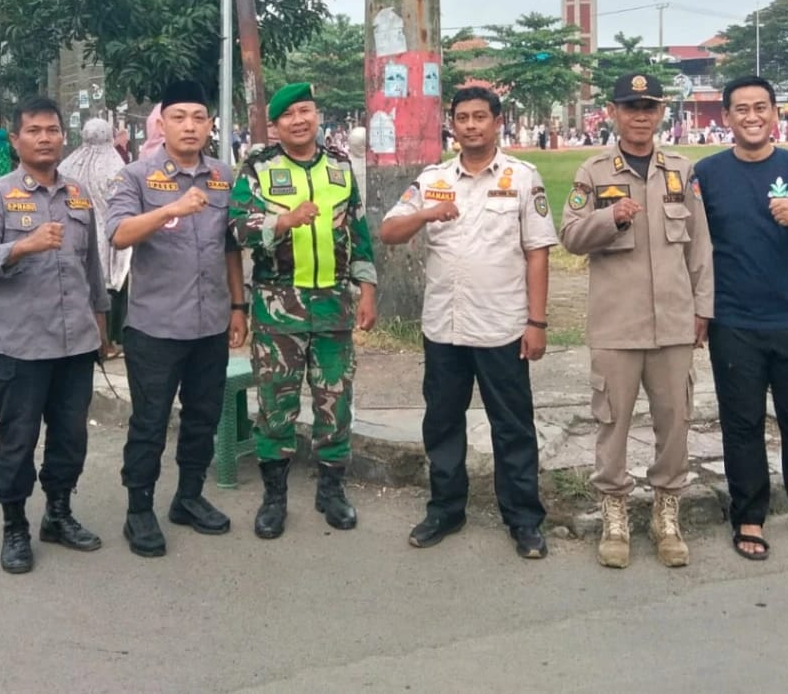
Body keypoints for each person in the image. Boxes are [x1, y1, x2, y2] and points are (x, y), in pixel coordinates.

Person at [380, 86, 556, 560]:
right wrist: (427, 211)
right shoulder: (434, 178)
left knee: (513, 426)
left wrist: (536, 322)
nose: (472, 125)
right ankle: (445, 509)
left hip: (502, 326)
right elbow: (389, 232)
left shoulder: (522, 177)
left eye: (481, 117)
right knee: (441, 423)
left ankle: (523, 519)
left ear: (498, 122)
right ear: (452, 125)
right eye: (463, 118)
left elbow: (537, 252)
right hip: (444, 327)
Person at [560, 73, 713, 570]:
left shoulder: (681, 170)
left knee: (675, 421)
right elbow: (571, 235)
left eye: (649, 106)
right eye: (631, 106)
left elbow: (700, 246)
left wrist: (702, 309)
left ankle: (666, 513)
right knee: (613, 422)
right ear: (613, 112)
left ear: (661, 112)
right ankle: (615, 513)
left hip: (672, 321)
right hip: (616, 325)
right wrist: (612, 220)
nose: (640, 115)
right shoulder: (594, 170)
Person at [694, 76, 788, 561]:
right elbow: (694, 245)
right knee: (741, 425)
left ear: (776, 114)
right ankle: (749, 516)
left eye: (761, 107)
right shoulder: (708, 172)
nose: (752, 117)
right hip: (733, 322)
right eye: (741, 109)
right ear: (726, 118)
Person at [0, 96, 111, 574]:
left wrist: (101, 326)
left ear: (62, 136)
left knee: (70, 439)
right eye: (34, 131)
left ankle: (59, 513)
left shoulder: (78, 196)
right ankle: (14, 526)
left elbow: (92, 267)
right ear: (17, 139)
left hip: (75, 343)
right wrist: (22, 246)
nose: (44, 138)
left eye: (52, 130)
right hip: (23, 346)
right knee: (18, 439)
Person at [230, 82, 378, 539]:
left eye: (306, 111)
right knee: (277, 404)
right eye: (288, 114)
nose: (299, 120)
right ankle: (275, 497)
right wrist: (283, 222)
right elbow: (235, 228)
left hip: (334, 304)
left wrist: (367, 288)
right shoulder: (258, 168)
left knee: (335, 401)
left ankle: (331, 491)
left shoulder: (338, 166)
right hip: (279, 308)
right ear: (274, 126)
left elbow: (357, 228)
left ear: (317, 116)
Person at [105, 81, 246, 556]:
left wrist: (238, 306)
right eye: (179, 117)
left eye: (199, 117)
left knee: (203, 418)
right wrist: (173, 208)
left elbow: (230, 246)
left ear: (210, 124)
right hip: (155, 328)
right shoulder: (136, 176)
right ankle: (138, 510)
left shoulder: (224, 176)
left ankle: (188, 497)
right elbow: (120, 234)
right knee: (149, 421)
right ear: (161, 124)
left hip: (210, 325)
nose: (190, 126)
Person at [60, 118, 129, 360]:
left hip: (77, 232)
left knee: (84, 282)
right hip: (110, 234)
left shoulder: (67, 165)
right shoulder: (115, 165)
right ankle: (108, 341)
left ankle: (88, 341)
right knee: (111, 282)